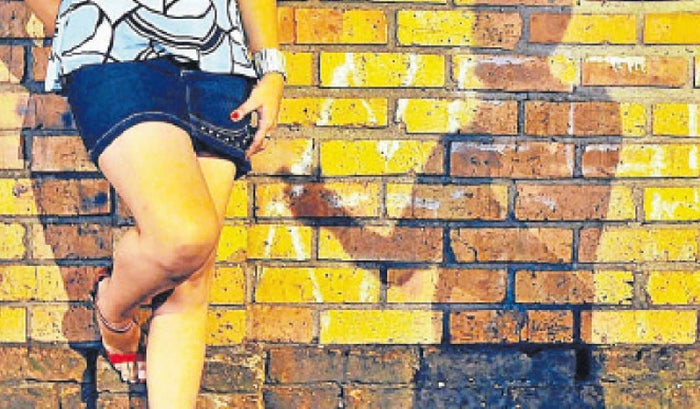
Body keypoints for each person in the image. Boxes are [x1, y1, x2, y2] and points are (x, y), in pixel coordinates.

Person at [24, 0, 285, 407]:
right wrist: (83, 19)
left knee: (191, 283)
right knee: (182, 236)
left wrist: (270, 66)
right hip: (115, 51)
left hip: (219, 56)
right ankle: (112, 309)